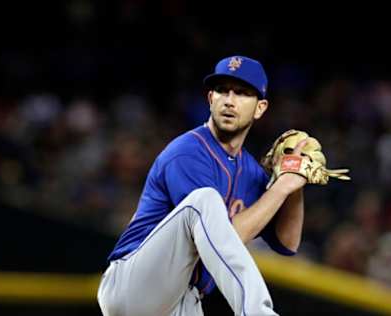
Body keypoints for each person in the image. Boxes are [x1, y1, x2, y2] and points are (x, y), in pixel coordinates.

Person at [97, 55, 308, 316]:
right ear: (210, 99)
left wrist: (294, 184)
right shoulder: (187, 152)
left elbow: (288, 243)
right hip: (135, 284)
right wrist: (278, 189)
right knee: (203, 201)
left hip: (184, 302)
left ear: (260, 108)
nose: (229, 100)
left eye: (241, 93)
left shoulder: (251, 171)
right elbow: (220, 238)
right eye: (222, 91)